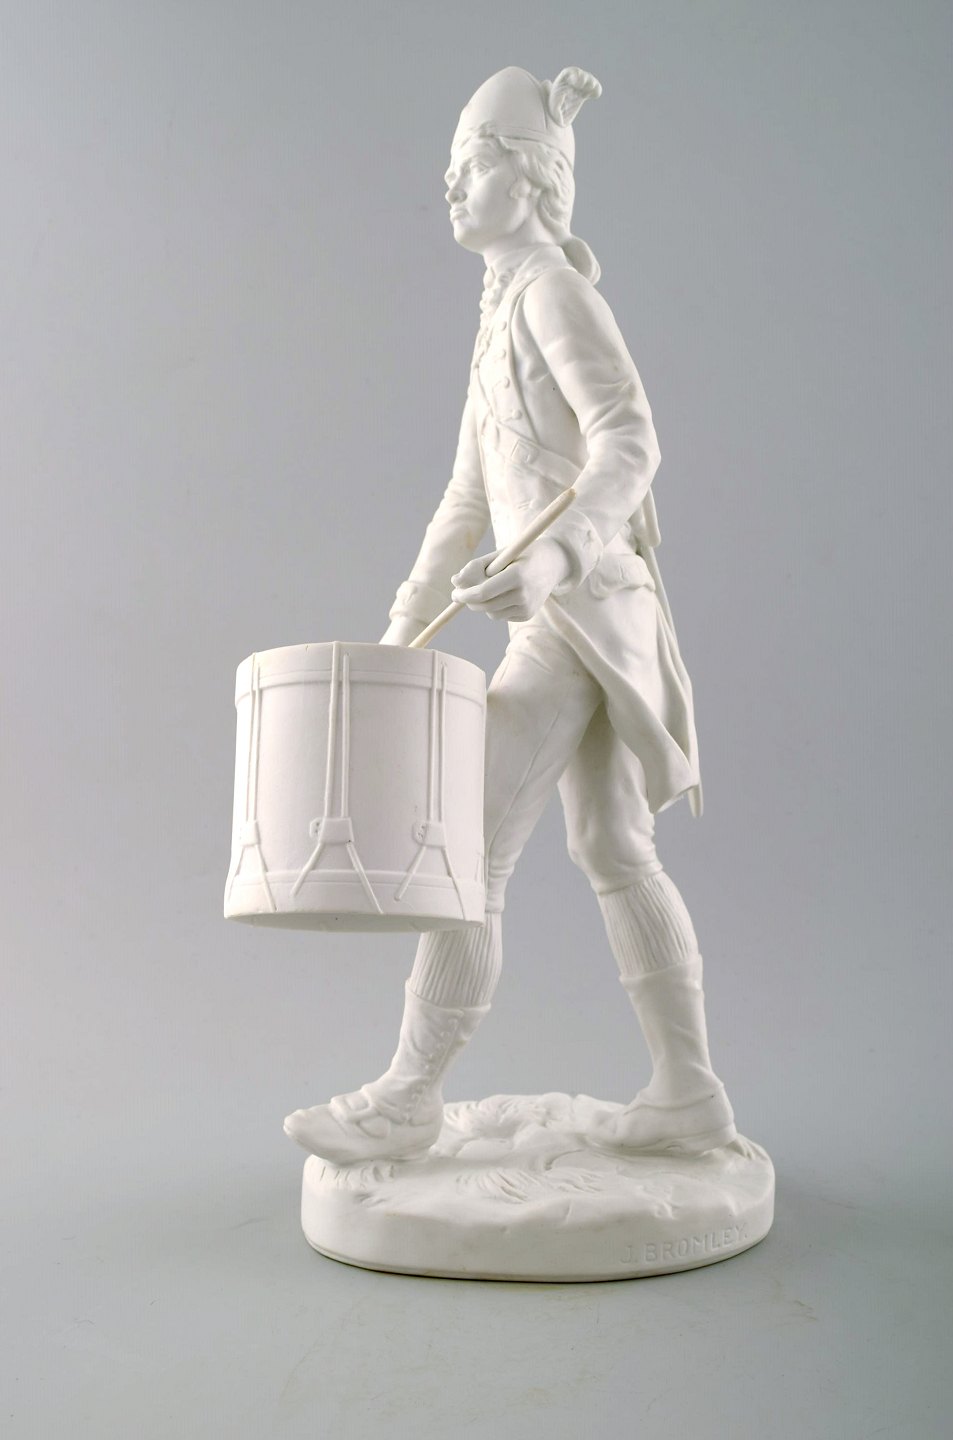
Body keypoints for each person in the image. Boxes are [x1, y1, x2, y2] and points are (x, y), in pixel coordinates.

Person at [284, 66, 737, 1163]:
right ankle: (687, 1095)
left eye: (472, 164)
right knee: (613, 847)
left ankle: (407, 1098)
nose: (449, 185)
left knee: (468, 848)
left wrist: (553, 560)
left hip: (580, 611)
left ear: (531, 181)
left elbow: (629, 438)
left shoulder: (551, 294)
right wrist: (400, 634)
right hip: (580, 609)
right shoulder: (500, 309)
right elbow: (467, 500)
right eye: (451, 167)